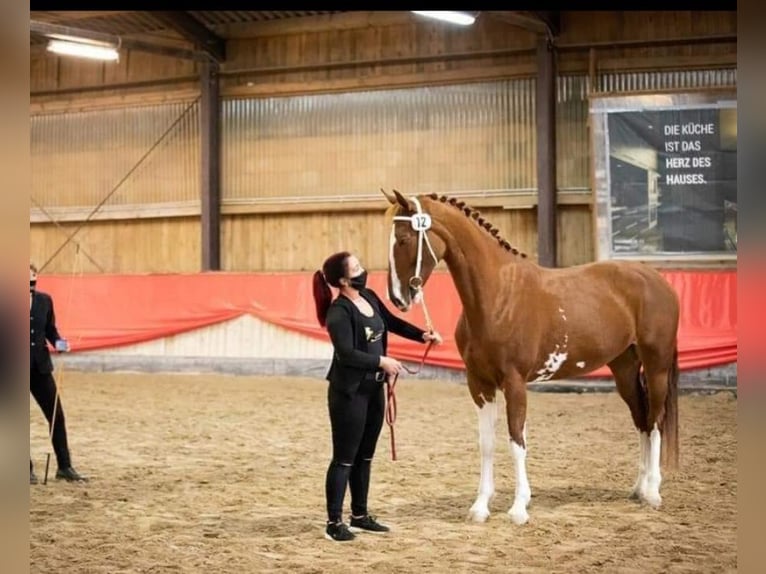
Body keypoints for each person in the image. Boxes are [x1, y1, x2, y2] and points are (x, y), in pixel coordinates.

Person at [312, 251, 442, 542]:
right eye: (356, 267)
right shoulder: (339, 313)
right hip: (349, 392)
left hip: (374, 390)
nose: (363, 269)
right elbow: (346, 354)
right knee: (345, 459)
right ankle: (334, 522)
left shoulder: (369, 296)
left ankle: (359, 515)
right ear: (344, 280)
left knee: (365, 456)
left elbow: (391, 322)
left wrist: (422, 335)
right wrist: (380, 361)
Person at [29, 263, 87, 484]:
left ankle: (64, 467)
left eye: (32, 277)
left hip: (41, 368)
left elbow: (51, 331)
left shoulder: (45, 301)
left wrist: (60, 343)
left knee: (56, 416)